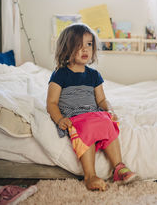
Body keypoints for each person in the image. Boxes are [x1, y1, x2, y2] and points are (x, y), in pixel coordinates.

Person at [46, 23, 138, 191]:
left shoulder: (94, 75)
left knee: (107, 123)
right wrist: (59, 119)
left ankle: (118, 167)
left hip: (93, 113)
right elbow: (51, 102)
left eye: (88, 44)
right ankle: (90, 175)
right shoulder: (60, 74)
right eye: (78, 46)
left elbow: (102, 100)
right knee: (86, 128)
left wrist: (109, 110)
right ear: (67, 48)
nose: (85, 50)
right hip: (74, 117)